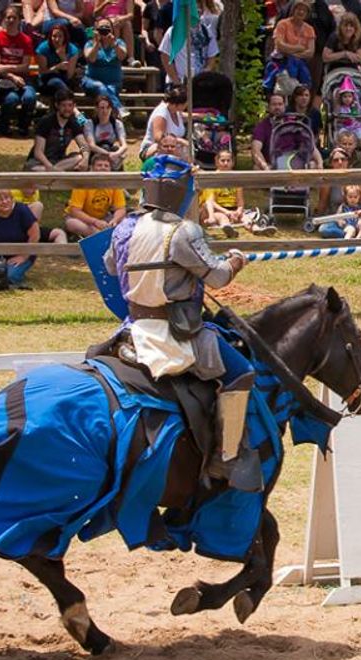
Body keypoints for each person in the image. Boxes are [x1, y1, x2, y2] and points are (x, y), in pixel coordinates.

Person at [102, 156, 261, 490]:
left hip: (132, 328)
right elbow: (216, 278)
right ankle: (226, 455)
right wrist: (236, 260)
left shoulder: (124, 227)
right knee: (242, 372)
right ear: (179, 192)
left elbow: (111, 267)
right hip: (173, 332)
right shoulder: (183, 231)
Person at [0, 5, 36, 136]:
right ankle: (4, 127)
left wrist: (7, 67)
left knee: (30, 97)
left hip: (23, 77)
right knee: (12, 98)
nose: (11, 20)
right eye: (8, 17)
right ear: (3, 19)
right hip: (1, 79)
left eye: (14, 17)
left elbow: (25, 66)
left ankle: (23, 126)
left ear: (19, 20)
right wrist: (13, 76)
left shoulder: (26, 40)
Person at [0, 189, 39, 286]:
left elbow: (35, 234)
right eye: (0, 200)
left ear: (12, 199)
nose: (4, 202)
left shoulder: (22, 210)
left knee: (8, 277)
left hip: (22, 253)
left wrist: (23, 256)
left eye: (7, 198)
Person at [64, 152, 127, 238]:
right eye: (99, 165)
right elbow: (75, 211)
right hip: (80, 218)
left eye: (106, 166)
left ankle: (105, 235)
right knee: (72, 224)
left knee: (125, 221)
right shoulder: (83, 183)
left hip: (104, 217)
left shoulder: (114, 184)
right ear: (92, 168)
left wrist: (115, 220)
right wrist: (95, 222)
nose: (103, 168)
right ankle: (102, 236)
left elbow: (121, 208)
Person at [25, 88, 89, 171]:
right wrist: (49, 167)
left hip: (59, 161)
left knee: (79, 158)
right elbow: (38, 152)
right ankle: (57, 173)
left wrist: (86, 159)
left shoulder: (73, 122)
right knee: (38, 169)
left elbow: (83, 145)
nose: (67, 109)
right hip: (40, 162)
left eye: (70, 105)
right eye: (64, 105)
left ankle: (56, 173)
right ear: (57, 105)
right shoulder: (46, 121)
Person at [316, 147, 361, 235]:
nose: (340, 162)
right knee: (324, 229)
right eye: (336, 160)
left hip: (360, 217)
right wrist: (316, 219)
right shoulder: (328, 181)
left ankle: (356, 234)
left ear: (348, 161)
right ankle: (353, 235)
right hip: (339, 220)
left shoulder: (359, 179)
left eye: (343, 159)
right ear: (331, 163)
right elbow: (322, 205)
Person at [159, 13, 218, 88]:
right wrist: (176, 81)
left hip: (200, 84)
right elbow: (165, 56)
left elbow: (212, 56)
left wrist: (207, 70)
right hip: (178, 83)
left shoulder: (207, 31)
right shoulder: (174, 31)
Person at [83, 17, 128, 114]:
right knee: (101, 87)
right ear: (96, 30)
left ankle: (111, 119)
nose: (104, 30)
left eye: (107, 27)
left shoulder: (119, 43)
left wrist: (114, 44)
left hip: (113, 83)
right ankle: (119, 109)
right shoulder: (90, 43)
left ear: (112, 30)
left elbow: (122, 56)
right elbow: (91, 58)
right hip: (92, 82)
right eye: (101, 28)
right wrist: (96, 43)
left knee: (109, 89)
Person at [333, 74, 361, 161]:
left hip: (356, 126)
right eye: (345, 97)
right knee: (339, 135)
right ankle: (337, 152)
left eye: (349, 96)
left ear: (353, 97)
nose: (347, 99)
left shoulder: (357, 107)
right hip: (344, 127)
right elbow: (336, 115)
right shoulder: (340, 108)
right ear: (341, 98)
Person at [140, 85, 189, 161]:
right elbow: (158, 138)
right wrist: (180, 141)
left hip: (174, 147)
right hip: (156, 148)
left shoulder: (176, 112)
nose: (187, 105)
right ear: (178, 104)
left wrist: (201, 116)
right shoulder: (161, 114)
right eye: (186, 103)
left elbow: (185, 116)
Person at [84, 93, 129, 171]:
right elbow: (91, 145)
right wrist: (107, 154)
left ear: (111, 109)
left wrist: (116, 154)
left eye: (108, 108)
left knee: (117, 151)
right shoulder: (90, 124)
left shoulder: (117, 124)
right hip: (96, 151)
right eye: (102, 108)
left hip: (112, 151)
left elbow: (124, 145)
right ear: (97, 109)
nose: (105, 111)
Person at [35, 21, 79, 96]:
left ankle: (68, 100)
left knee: (60, 83)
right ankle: (70, 98)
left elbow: (69, 75)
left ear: (65, 37)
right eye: (54, 36)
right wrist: (56, 67)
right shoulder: (43, 48)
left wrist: (63, 58)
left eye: (60, 36)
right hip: (47, 79)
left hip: (65, 79)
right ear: (50, 37)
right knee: (56, 82)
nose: (57, 39)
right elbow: (42, 72)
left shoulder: (72, 50)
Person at [94, 0, 136, 64]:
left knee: (127, 24)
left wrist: (122, 18)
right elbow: (95, 14)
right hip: (104, 20)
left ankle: (131, 58)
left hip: (120, 19)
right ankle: (113, 55)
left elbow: (130, 15)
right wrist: (105, 4)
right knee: (114, 24)